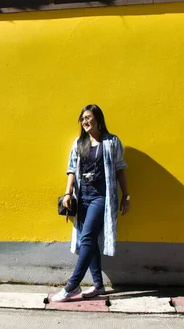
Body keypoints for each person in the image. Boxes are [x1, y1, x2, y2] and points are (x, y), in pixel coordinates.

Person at [51, 104, 130, 302]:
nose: (85, 121)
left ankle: (72, 285)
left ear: (99, 120)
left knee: (86, 238)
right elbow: (71, 169)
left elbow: (120, 168)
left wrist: (126, 195)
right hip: (83, 196)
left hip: (101, 198)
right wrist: (68, 194)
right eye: (82, 118)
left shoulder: (112, 142)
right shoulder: (79, 143)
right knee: (91, 240)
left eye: (88, 117)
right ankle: (98, 285)